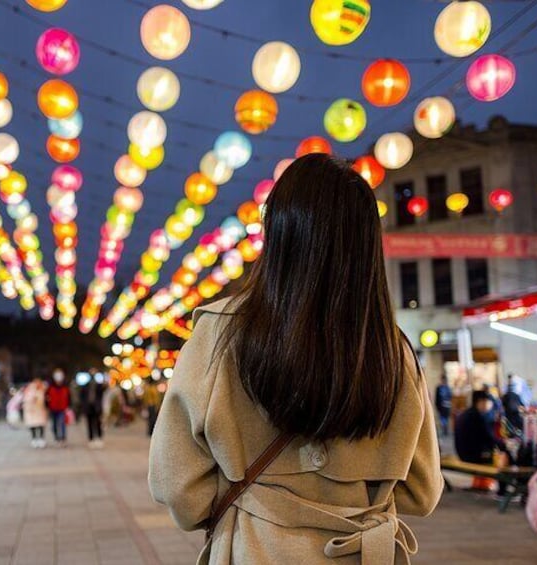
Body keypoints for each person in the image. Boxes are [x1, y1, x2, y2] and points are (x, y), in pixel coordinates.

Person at [149, 155, 442, 564]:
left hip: (257, 551)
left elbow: (179, 486)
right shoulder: (391, 351)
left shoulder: (219, 334)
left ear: (278, 235)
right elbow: (421, 490)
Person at [80, 369, 105, 448]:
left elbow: (102, 395)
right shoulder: (85, 386)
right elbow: (82, 397)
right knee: (89, 423)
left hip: (97, 407)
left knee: (98, 423)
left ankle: (99, 438)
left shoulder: (99, 385)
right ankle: (91, 439)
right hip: (88, 407)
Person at [47, 368, 71, 446]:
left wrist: (68, 406)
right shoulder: (50, 387)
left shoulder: (65, 387)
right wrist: (47, 406)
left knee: (62, 423)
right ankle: (57, 437)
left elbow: (69, 397)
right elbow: (47, 398)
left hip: (62, 408)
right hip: (53, 408)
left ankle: (63, 438)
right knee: (54, 425)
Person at [23, 377, 48, 448]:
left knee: (40, 426)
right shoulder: (29, 391)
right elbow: (26, 400)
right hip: (32, 412)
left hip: (40, 411)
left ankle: (41, 439)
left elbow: (44, 401)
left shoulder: (42, 390)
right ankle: (34, 439)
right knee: (33, 426)